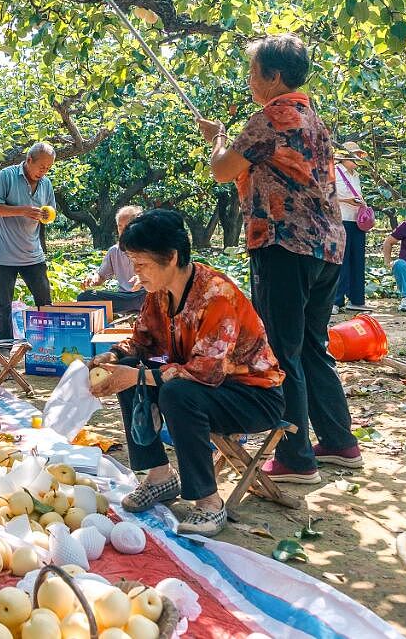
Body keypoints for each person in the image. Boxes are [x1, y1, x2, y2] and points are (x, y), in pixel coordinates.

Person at [197, 34, 360, 484]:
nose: (250, 81)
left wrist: (217, 140)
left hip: (283, 245)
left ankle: (295, 455)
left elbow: (222, 169)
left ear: (273, 76)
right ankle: (339, 441)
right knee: (311, 346)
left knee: (281, 351)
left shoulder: (271, 116)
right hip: (327, 246)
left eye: (253, 73)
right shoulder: (312, 119)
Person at [89, 210, 285, 537]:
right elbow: (143, 339)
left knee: (174, 392)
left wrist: (135, 376)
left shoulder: (216, 294)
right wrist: (114, 356)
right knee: (130, 371)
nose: (136, 273)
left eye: (142, 264)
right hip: (204, 385)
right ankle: (159, 477)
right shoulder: (159, 292)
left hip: (253, 395)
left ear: (171, 257)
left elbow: (205, 373)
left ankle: (209, 502)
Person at [0, 142, 56, 344]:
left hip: (32, 253)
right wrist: (22, 210)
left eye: (48, 168)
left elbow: (51, 212)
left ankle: (48, 343)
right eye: (41, 167)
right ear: (29, 160)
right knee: (4, 305)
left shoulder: (46, 184)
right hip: (3, 253)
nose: (44, 172)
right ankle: (5, 349)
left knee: (44, 301)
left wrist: (44, 215)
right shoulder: (6, 176)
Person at [78, 205, 147, 315]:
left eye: (128, 227)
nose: (123, 231)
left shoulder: (151, 248)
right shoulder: (114, 251)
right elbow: (101, 276)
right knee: (85, 297)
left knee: (153, 294)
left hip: (146, 294)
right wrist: (92, 278)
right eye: (120, 227)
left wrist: (144, 278)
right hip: (124, 298)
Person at [333, 142, 369, 314]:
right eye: (354, 154)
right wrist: (346, 201)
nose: (356, 158)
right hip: (341, 220)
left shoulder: (355, 175)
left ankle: (356, 298)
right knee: (342, 260)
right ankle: (336, 300)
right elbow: (326, 195)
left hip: (357, 221)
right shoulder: (334, 172)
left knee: (357, 260)